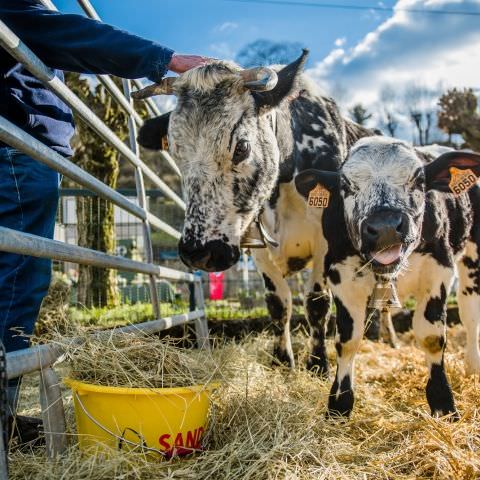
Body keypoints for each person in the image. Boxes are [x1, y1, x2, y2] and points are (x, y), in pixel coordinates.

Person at [0, 0, 208, 445]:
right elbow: (64, 34)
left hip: (22, 149)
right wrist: (163, 59)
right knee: (17, 279)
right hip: (17, 151)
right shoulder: (17, 6)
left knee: (19, 276)